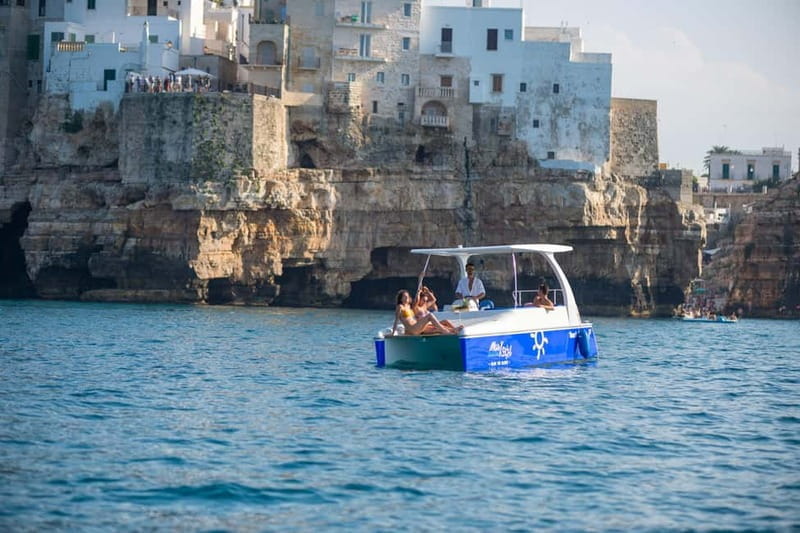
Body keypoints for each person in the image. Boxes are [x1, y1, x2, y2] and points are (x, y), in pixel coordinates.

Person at [393, 289, 461, 336]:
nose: (406, 298)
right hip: (413, 329)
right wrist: (393, 332)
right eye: (404, 297)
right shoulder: (400, 307)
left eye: (407, 297)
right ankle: (445, 332)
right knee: (430, 315)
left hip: (417, 327)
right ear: (400, 298)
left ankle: (453, 330)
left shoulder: (408, 306)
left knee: (435, 327)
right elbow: (396, 320)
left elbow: (411, 319)